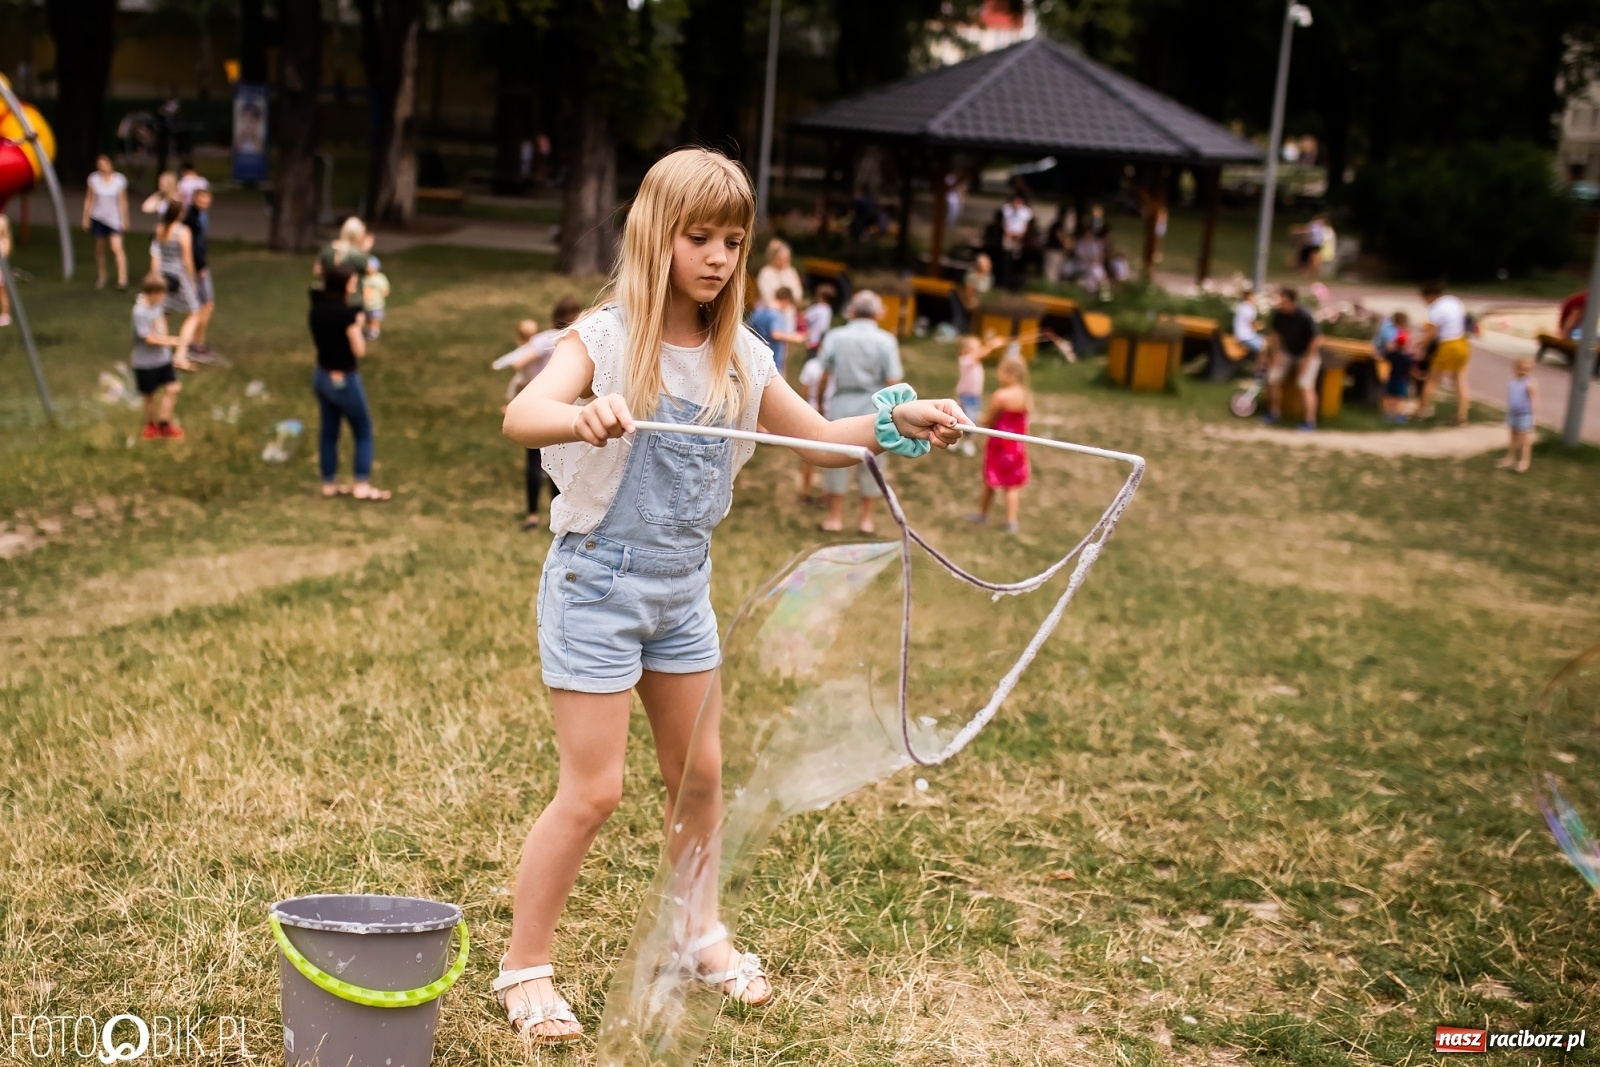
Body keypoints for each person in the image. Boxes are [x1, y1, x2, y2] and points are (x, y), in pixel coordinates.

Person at [497, 147, 962, 1044]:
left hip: (683, 592)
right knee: (593, 791)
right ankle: (526, 964)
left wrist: (893, 420)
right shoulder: (603, 340)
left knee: (700, 777)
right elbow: (523, 413)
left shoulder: (739, 355)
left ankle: (696, 930)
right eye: (699, 237)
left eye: (733, 241)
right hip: (597, 586)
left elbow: (820, 440)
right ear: (656, 237)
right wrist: (581, 414)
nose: (717, 256)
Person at [816, 289, 913, 534]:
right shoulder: (886, 341)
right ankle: (865, 520)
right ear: (878, 314)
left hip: (841, 404)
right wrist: (898, 414)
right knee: (874, 461)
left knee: (836, 457)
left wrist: (819, 402)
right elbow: (893, 381)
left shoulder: (836, 336)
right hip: (876, 409)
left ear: (851, 311)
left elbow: (824, 374)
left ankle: (835, 517)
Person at [309, 267, 389, 501]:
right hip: (344, 378)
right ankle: (361, 485)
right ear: (343, 284)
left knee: (329, 431)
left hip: (321, 375)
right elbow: (359, 350)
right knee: (363, 430)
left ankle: (329, 484)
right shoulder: (345, 316)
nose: (354, 286)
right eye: (352, 282)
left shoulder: (317, 308)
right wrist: (358, 324)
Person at [504, 296, 581, 531]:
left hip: (538, 406)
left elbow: (518, 362)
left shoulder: (546, 339)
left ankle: (532, 516)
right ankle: (554, 516)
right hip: (561, 408)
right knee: (558, 461)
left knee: (534, 461)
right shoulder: (574, 339)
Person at [969, 353, 1032, 533]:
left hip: (999, 446)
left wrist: (978, 418)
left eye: (1001, 371)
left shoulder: (1000, 396)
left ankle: (982, 514)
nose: (998, 375)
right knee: (1012, 486)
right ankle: (1011, 521)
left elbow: (990, 420)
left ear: (1010, 374)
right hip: (1017, 446)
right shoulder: (1025, 395)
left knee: (990, 480)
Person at [130, 278, 187, 440]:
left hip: (163, 358)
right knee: (149, 395)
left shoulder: (158, 306)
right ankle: (150, 425)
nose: (164, 297)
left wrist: (169, 351)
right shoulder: (139, 311)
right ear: (153, 293)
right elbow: (148, 339)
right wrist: (173, 341)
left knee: (173, 387)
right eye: (162, 293)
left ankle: (164, 423)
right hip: (145, 362)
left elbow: (162, 327)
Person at [1262, 287, 1319, 430]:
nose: (1280, 303)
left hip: (1307, 354)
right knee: (1272, 378)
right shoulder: (1279, 314)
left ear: (1291, 301)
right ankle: (1274, 413)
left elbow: (1315, 340)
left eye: (1283, 301)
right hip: (1288, 352)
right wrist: (1275, 354)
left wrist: (1306, 361)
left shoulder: (1305, 316)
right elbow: (1275, 335)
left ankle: (1309, 421)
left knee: (1305, 385)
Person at [153, 202, 200, 369]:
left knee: (163, 312)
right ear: (180, 213)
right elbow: (187, 259)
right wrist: (193, 279)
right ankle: (180, 355)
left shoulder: (159, 229)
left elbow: (157, 254)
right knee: (194, 312)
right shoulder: (183, 231)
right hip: (178, 276)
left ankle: (163, 355)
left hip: (162, 274)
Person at [1417, 281, 1471, 424]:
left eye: (1424, 298)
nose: (1424, 302)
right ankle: (1462, 415)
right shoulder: (1454, 300)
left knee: (1432, 380)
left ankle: (1423, 410)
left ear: (1430, 296)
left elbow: (1431, 334)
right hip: (1462, 342)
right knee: (1460, 380)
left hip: (1448, 345)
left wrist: (1420, 345)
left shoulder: (1435, 309)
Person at [82, 155, 130, 291]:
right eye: (99, 164)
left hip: (114, 219)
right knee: (99, 248)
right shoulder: (93, 179)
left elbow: (123, 201)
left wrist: (125, 219)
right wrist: (86, 217)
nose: (101, 166)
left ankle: (122, 279)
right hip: (98, 217)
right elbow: (89, 199)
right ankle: (102, 276)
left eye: (103, 163)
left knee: (116, 248)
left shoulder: (119, 180)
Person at [955, 333, 1007, 456]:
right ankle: (960, 441)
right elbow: (979, 354)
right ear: (966, 350)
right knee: (962, 419)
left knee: (970, 419)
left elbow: (981, 354)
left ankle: (966, 442)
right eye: (975, 348)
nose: (979, 349)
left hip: (974, 397)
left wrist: (992, 344)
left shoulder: (975, 361)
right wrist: (992, 345)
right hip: (965, 396)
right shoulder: (965, 360)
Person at [183, 188, 220, 361]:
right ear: (195, 199)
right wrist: (200, 266)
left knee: (203, 306)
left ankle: (196, 342)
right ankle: (196, 343)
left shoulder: (199, 216)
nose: (205, 202)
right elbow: (192, 246)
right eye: (202, 199)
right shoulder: (192, 218)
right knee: (206, 305)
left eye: (207, 199)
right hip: (198, 268)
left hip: (199, 265)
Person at [314, 217, 372, 306]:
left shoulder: (328, 250)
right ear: (358, 235)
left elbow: (317, 271)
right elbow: (370, 271)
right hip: (352, 300)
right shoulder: (358, 254)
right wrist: (365, 251)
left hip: (328, 298)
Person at [747, 286, 803, 377]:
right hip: (772, 359)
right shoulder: (777, 315)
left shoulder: (759, 311)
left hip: (755, 357)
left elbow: (749, 328)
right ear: (786, 300)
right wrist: (795, 338)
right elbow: (775, 334)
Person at [1499, 358, 1538, 473]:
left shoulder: (1530, 384)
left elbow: (1534, 401)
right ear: (1515, 368)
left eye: (1527, 369)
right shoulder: (1511, 382)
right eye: (1521, 368)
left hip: (1524, 414)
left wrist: (1533, 416)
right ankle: (1510, 457)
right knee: (1512, 436)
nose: (1523, 371)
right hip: (1513, 413)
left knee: (1524, 440)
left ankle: (1525, 461)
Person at [1379, 311, 1413, 423]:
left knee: (1389, 396)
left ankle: (1388, 413)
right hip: (1402, 380)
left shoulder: (1392, 355)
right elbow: (1411, 367)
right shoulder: (1407, 358)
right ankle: (1398, 415)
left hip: (1391, 378)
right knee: (1399, 398)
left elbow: (1384, 355)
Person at [755, 238, 802, 307]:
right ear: (774, 257)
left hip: (790, 308)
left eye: (787, 259)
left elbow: (798, 295)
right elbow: (767, 298)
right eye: (781, 258)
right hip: (770, 309)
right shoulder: (765, 273)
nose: (784, 261)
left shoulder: (791, 272)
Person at [1000, 191, 1033, 290]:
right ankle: (1005, 281)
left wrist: (1020, 235)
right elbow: (1004, 222)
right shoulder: (1007, 209)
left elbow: (1026, 226)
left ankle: (1015, 282)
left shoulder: (1026, 212)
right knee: (1007, 260)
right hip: (1009, 237)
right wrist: (1008, 233)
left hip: (1019, 238)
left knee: (1017, 260)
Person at [361, 256, 390, 340]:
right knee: (367, 319)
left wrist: (384, 293)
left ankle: (374, 332)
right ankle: (369, 330)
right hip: (365, 304)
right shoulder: (363, 278)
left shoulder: (380, 278)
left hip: (376, 304)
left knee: (374, 319)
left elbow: (385, 289)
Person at [1233, 286, 1263, 358]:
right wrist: (1261, 326)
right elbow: (1253, 324)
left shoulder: (1242, 306)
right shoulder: (1249, 307)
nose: (1255, 298)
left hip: (1240, 336)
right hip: (1245, 338)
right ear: (1250, 297)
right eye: (1254, 296)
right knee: (1265, 347)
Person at [0, 213, 10, 327]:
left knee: (2, 294)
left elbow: (4, 254)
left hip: (0, 272)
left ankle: (5, 315)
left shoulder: (4, 242)